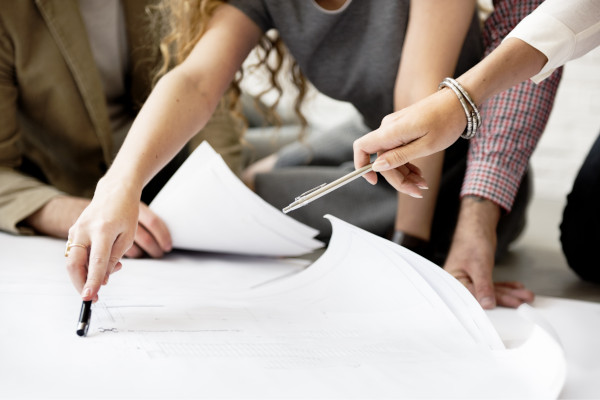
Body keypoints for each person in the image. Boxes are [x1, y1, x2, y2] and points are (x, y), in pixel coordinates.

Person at [65, 0, 483, 302]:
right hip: (371, 133)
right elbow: (195, 81)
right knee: (242, 178)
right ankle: (269, 171)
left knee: (241, 204)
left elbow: (419, 101)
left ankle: (267, 178)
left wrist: (409, 254)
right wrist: (119, 184)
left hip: (449, 167)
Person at [353, 0, 600, 305]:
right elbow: (531, 15)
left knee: (588, 248)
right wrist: (476, 223)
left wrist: (411, 246)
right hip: (406, 132)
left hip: (455, 160)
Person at [0, 0, 242, 258]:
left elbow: (205, 88)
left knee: (284, 151)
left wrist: (228, 192)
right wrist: (81, 212)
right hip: (68, 182)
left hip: (167, 163)